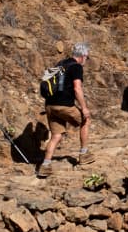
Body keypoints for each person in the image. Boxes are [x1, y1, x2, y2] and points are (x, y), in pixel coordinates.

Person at [40, 43, 93, 171]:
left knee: (56, 135)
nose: (86, 60)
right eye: (87, 57)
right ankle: (84, 154)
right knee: (86, 120)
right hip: (64, 105)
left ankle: (45, 165)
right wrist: (84, 108)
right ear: (83, 56)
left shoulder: (61, 63)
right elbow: (77, 88)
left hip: (50, 105)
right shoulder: (77, 67)